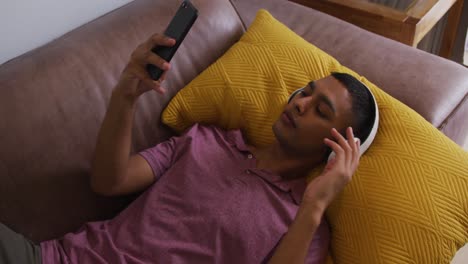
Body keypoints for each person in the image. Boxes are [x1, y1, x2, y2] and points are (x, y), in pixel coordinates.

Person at [1, 33, 373, 264]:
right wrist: (125, 96)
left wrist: (314, 206)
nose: (298, 103)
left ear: (336, 148)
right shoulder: (206, 140)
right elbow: (108, 182)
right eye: (305, 91)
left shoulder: (305, 226)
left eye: (319, 110)